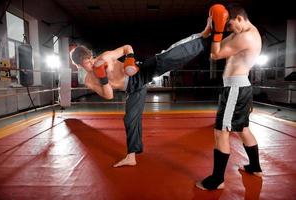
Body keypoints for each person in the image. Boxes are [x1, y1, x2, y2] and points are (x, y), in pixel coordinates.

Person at [70, 23, 212, 167]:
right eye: (86, 63)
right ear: (79, 66)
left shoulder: (105, 57)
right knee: (130, 120)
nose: (91, 63)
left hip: (140, 72)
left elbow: (127, 47)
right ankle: (132, 156)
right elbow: (109, 95)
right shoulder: (89, 80)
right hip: (133, 90)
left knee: (167, 57)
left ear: (91, 55)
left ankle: (201, 37)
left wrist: (130, 59)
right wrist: (103, 79)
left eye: (90, 59)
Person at [196, 4, 263, 190]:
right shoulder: (241, 32)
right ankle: (255, 167)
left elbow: (215, 54)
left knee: (221, 132)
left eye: (231, 25)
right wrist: (212, 29)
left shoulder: (246, 36)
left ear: (239, 18)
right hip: (239, 87)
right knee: (243, 130)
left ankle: (217, 180)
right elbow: (214, 49)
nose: (230, 30)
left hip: (235, 88)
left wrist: (216, 33)